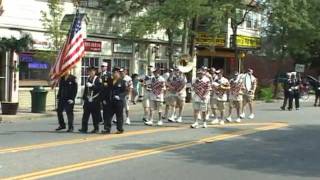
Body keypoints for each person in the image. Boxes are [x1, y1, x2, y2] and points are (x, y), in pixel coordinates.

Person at [101, 67, 127, 134]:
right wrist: (104, 99)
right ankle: (107, 129)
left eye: (116, 72)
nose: (114, 74)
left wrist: (120, 96)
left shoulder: (123, 82)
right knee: (108, 116)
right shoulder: (109, 81)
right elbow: (105, 90)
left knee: (119, 116)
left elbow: (125, 91)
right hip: (110, 101)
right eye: (113, 72)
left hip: (119, 102)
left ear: (118, 73)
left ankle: (120, 129)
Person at [79, 67, 102, 134]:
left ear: (95, 72)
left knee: (95, 116)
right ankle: (84, 128)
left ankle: (96, 128)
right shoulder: (88, 78)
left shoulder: (98, 79)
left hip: (95, 100)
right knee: (85, 115)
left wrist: (92, 86)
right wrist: (84, 98)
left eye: (92, 71)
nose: (91, 73)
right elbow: (86, 89)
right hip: (88, 100)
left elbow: (99, 89)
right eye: (89, 71)